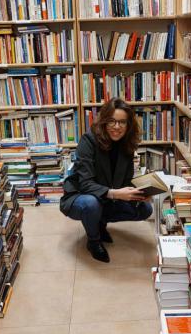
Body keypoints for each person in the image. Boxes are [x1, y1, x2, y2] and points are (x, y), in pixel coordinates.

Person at [60, 98, 153, 263]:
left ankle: (99, 222)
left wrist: (140, 192)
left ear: (128, 125)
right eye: (112, 121)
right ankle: (94, 241)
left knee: (144, 209)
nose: (117, 127)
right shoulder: (88, 140)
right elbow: (85, 183)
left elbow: (126, 181)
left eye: (122, 122)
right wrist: (115, 194)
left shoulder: (127, 144)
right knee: (91, 204)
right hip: (80, 196)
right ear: (104, 122)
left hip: (107, 196)